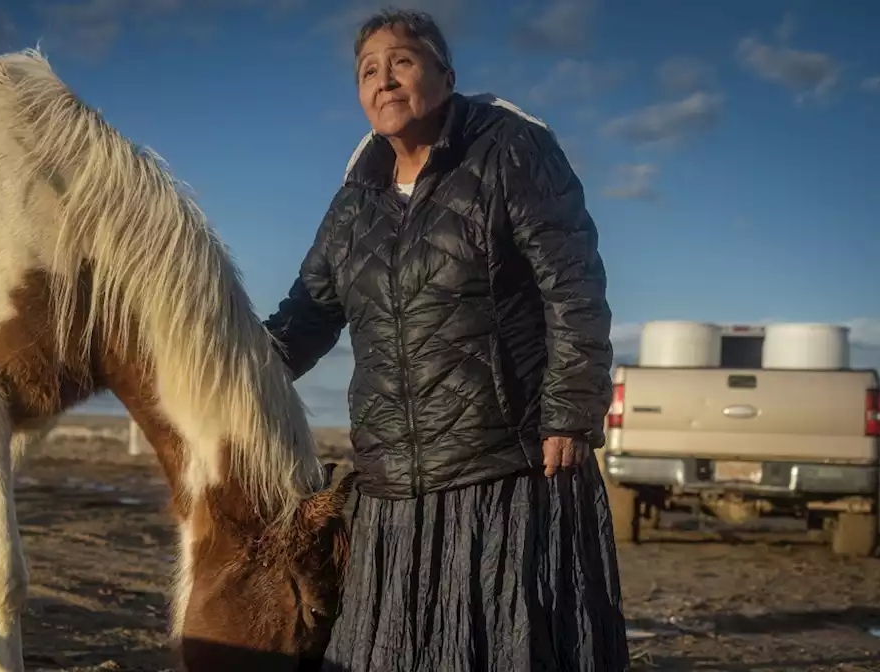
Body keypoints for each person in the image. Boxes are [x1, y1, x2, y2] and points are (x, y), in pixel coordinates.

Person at [263, 9, 630, 672]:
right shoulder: (354, 203)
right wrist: (211, 370)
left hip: (504, 469)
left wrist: (572, 409)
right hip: (392, 486)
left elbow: (573, 284)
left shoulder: (508, 151)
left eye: (402, 61)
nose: (385, 79)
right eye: (369, 71)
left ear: (446, 76)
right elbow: (305, 318)